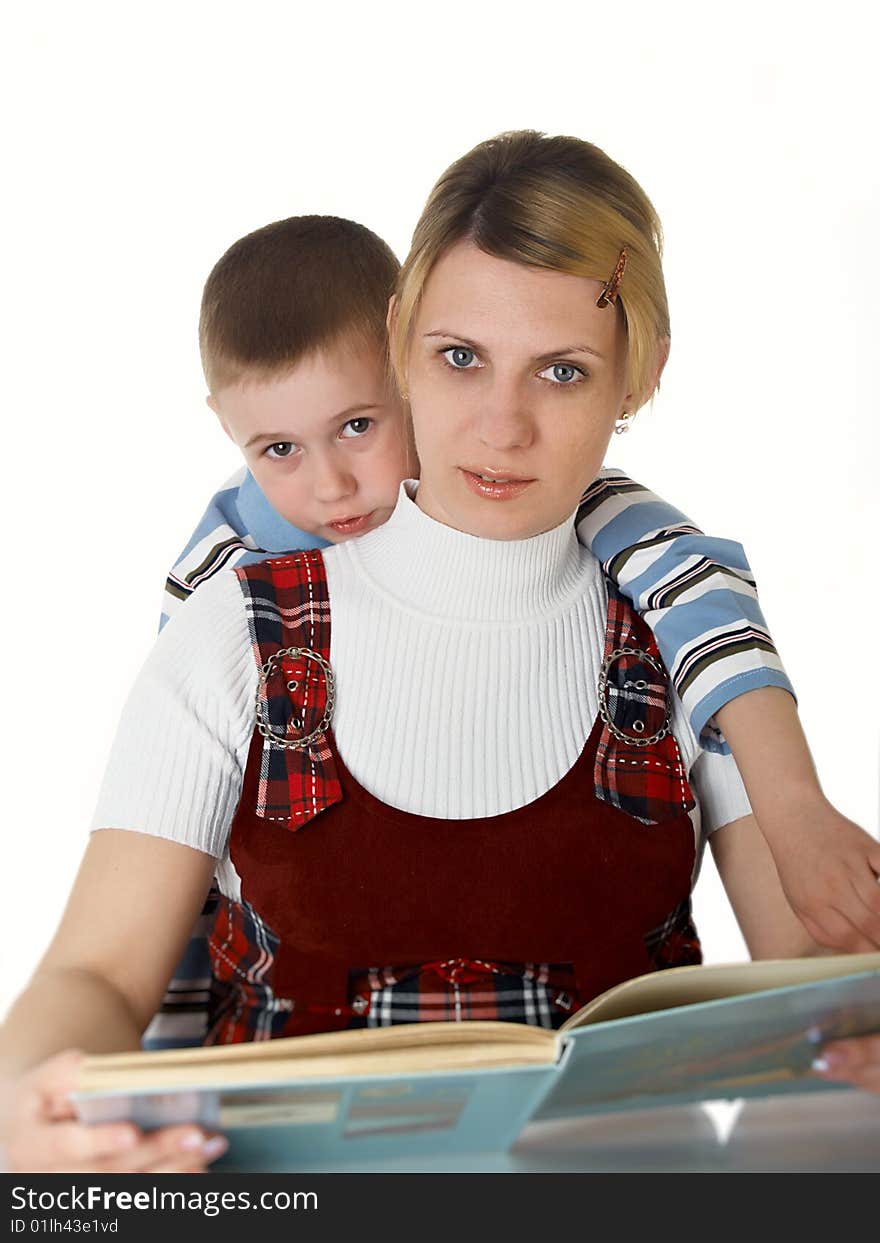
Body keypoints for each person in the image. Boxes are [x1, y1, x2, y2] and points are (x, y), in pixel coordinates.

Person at [2, 131, 878, 1175]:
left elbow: (806, 971)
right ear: (401, 337)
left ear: (638, 375)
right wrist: (31, 1099)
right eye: (460, 358)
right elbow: (97, 972)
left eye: (561, 371)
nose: (500, 427)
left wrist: (853, 1027)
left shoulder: (683, 648)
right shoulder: (232, 628)